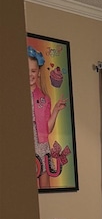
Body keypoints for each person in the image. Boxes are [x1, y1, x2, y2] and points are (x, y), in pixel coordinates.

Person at [28, 45, 67, 188]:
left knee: (45, 182)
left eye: (33, 71)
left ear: (38, 72)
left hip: (41, 144)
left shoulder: (44, 98)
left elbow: (48, 128)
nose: (30, 74)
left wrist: (56, 110)